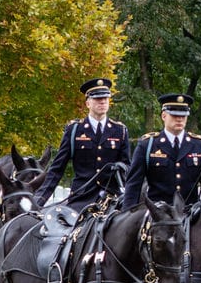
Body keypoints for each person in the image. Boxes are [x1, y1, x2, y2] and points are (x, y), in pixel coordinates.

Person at [34, 78, 131, 210]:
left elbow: (128, 167)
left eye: (105, 98)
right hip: (81, 198)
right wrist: (38, 201)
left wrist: (121, 167)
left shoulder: (120, 131)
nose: (102, 101)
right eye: (97, 99)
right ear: (88, 103)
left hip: (111, 198)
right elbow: (57, 169)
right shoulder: (74, 130)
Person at [122, 93, 201, 209]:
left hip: (190, 213)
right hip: (159, 214)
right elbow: (134, 185)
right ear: (164, 116)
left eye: (183, 116)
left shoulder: (200, 145)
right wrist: (128, 214)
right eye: (174, 115)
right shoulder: (148, 144)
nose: (179, 119)